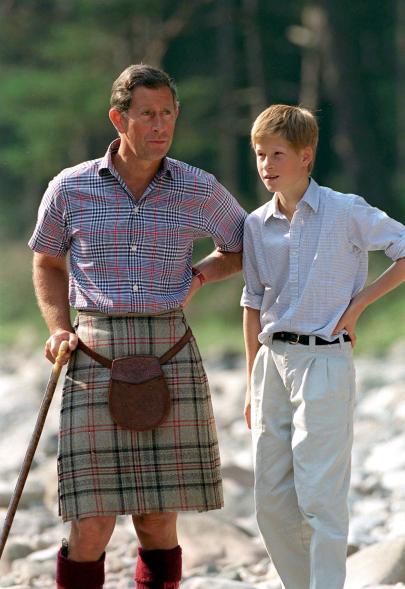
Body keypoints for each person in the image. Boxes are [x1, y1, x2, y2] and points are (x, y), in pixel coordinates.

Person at [29, 64, 247, 589]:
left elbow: (242, 244)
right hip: (92, 350)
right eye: (147, 114)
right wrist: (59, 327)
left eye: (168, 113)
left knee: (156, 518)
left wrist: (199, 274)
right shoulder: (71, 187)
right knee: (91, 524)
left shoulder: (198, 187)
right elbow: (47, 262)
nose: (160, 125)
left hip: (168, 347)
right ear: (119, 119)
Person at [241, 104, 405, 589]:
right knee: (270, 501)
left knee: (320, 496)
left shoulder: (346, 210)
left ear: (306, 156)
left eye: (277, 154)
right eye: (258, 154)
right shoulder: (255, 224)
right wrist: (252, 381)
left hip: (325, 361)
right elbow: (252, 302)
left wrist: (357, 307)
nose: (265, 164)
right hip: (271, 364)